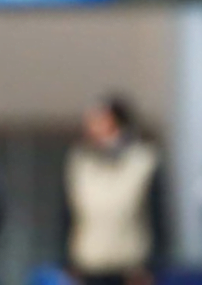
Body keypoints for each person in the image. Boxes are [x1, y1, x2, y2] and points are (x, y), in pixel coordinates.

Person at [63, 95, 159, 285]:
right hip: (88, 266)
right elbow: (68, 214)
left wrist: (151, 265)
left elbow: (156, 215)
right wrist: (68, 261)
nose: (91, 128)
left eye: (99, 121)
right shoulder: (79, 163)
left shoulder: (143, 162)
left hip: (130, 268)